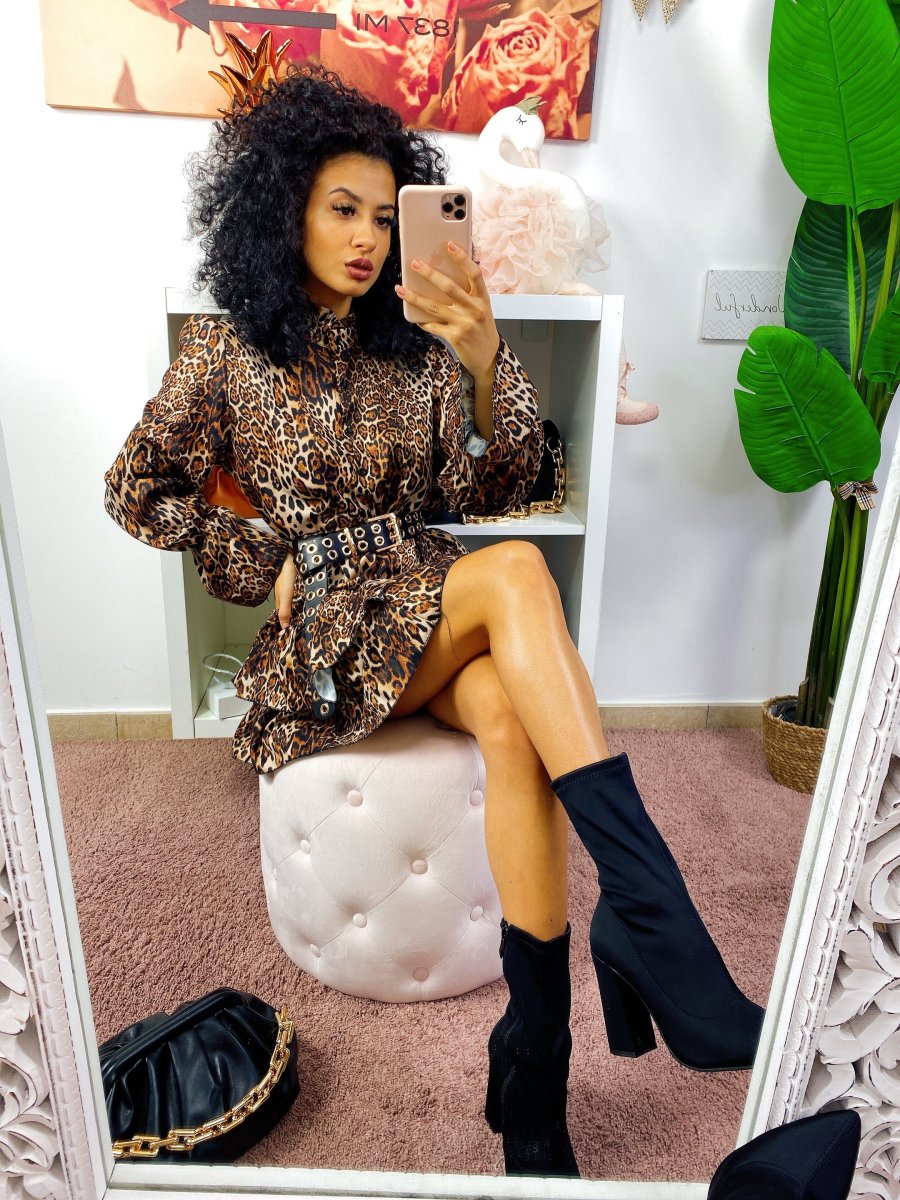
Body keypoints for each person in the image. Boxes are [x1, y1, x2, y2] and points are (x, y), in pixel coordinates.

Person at [103, 65, 764, 1179]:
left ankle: (534, 1068)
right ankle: (654, 922)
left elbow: (506, 484)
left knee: (508, 707)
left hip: (423, 598)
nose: (367, 239)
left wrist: (486, 354)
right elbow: (135, 489)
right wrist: (262, 557)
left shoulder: (415, 347)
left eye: (382, 214)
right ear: (284, 211)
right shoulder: (225, 353)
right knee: (516, 577)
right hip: (327, 640)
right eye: (342, 209)